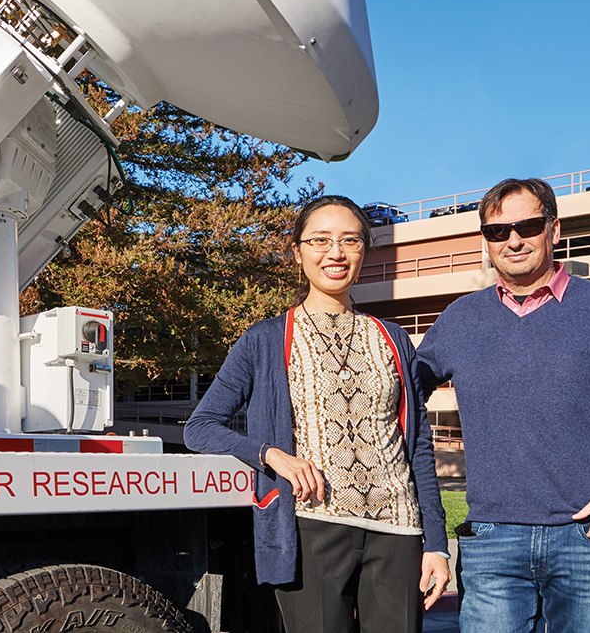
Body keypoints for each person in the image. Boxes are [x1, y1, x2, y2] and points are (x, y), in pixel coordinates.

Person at [415, 178, 590, 633]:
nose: (513, 239)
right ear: (485, 242)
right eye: (497, 231)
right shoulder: (460, 319)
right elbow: (400, 398)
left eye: (527, 225)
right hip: (492, 539)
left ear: (554, 229)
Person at [185, 195, 450, 633]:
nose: (336, 253)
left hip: (398, 532)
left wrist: (436, 544)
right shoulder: (265, 339)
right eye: (320, 240)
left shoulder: (394, 338)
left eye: (350, 240)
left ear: (365, 248)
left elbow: (418, 445)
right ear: (298, 251)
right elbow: (201, 427)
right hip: (313, 528)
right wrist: (272, 455)